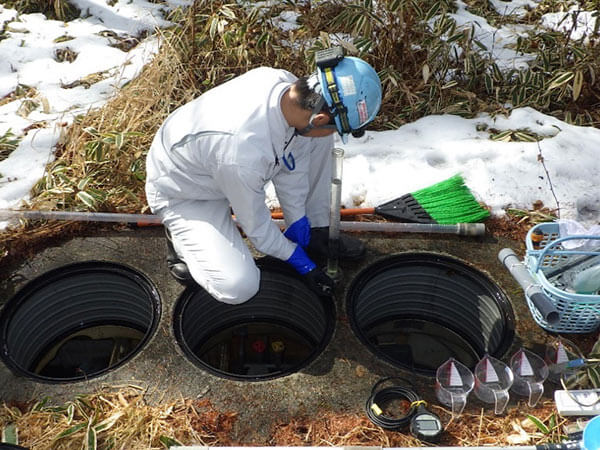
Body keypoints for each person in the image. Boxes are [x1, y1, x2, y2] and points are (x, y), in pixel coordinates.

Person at [145, 48, 382, 305]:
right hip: (186, 194)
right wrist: (299, 261)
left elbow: (295, 157)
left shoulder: (285, 87)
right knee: (238, 286)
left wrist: (298, 220)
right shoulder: (242, 152)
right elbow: (257, 228)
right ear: (321, 117)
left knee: (319, 142)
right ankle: (181, 242)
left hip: (220, 167)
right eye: (332, 127)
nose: (331, 132)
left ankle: (316, 230)